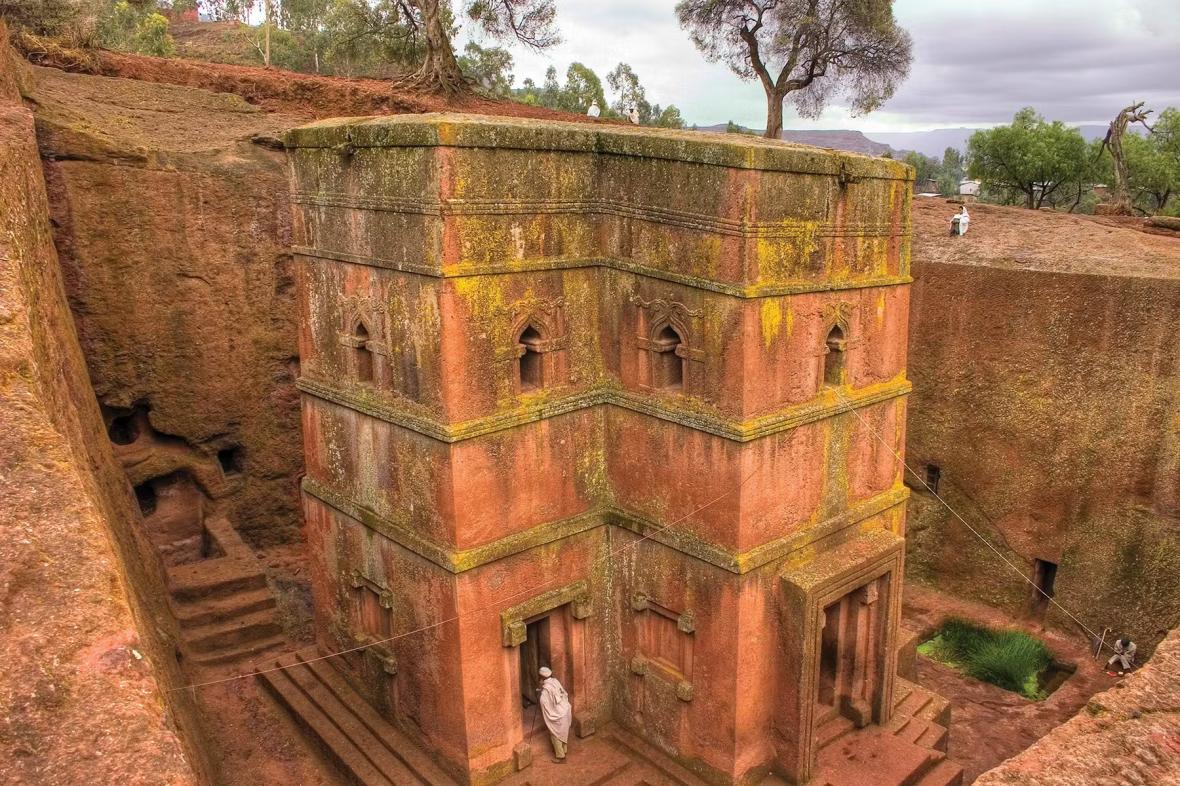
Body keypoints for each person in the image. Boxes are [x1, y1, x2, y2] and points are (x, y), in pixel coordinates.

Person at [538, 666, 572, 763]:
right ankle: (564, 750)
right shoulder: (555, 681)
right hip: (566, 710)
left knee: (555, 734)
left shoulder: (546, 691)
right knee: (564, 732)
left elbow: (545, 703)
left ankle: (560, 757)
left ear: (542, 677)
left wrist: (540, 694)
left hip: (559, 715)